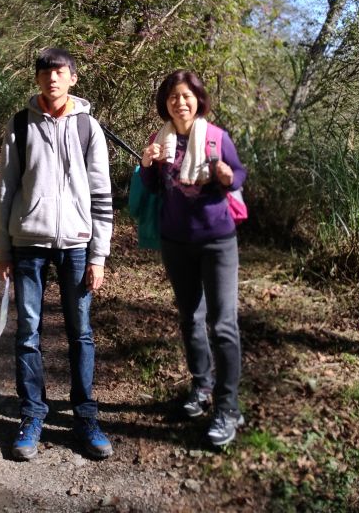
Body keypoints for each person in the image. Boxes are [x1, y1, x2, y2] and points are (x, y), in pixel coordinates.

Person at [0, 47, 114, 461]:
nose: (52, 79)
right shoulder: (20, 125)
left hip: (78, 246)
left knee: (81, 332)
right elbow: (6, 191)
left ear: (73, 79)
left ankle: (85, 416)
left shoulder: (89, 129)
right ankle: (32, 415)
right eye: (45, 73)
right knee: (28, 332)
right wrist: (3, 247)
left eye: (60, 73)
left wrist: (99, 254)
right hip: (28, 244)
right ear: (38, 79)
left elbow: (102, 194)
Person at [139, 69, 248, 449]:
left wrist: (226, 175)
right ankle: (201, 387)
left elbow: (238, 175)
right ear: (165, 104)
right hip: (175, 242)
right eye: (172, 97)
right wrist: (147, 164)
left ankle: (228, 406)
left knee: (223, 326)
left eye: (186, 96)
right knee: (190, 318)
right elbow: (153, 187)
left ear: (198, 99)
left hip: (217, 241)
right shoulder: (160, 139)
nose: (179, 102)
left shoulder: (217, 137)